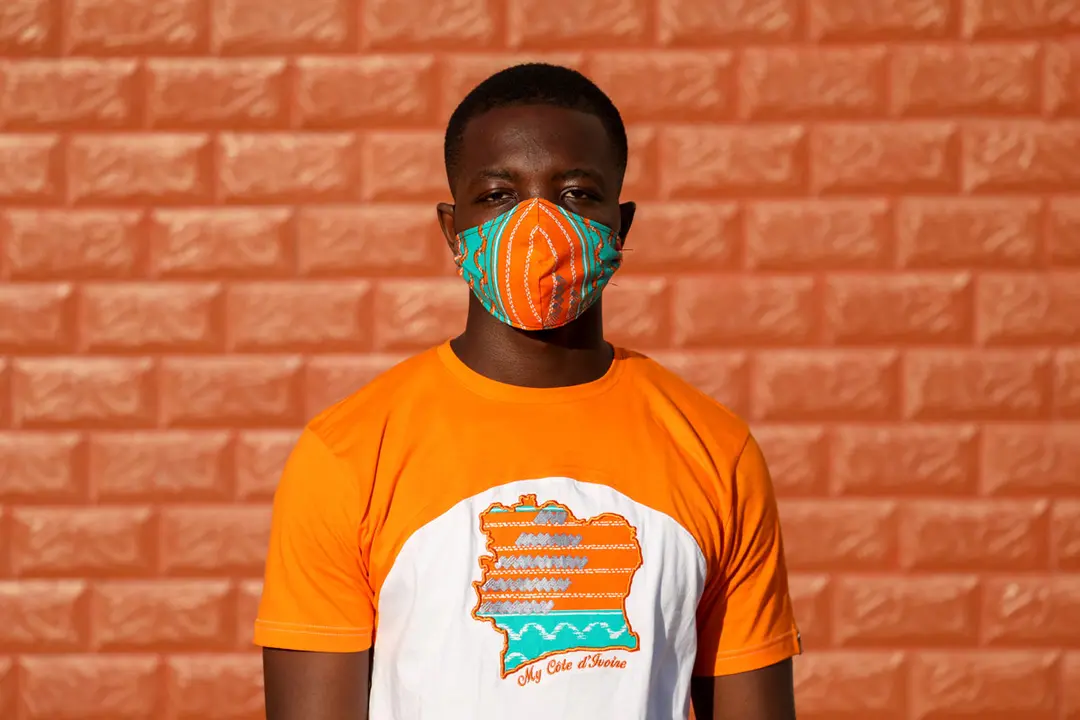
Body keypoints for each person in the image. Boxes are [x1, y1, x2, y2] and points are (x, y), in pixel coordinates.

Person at [255, 62, 801, 720]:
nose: (537, 225)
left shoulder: (717, 452)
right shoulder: (346, 455)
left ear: (620, 225)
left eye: (574, 194)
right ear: (452, 230)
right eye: (497, 196)